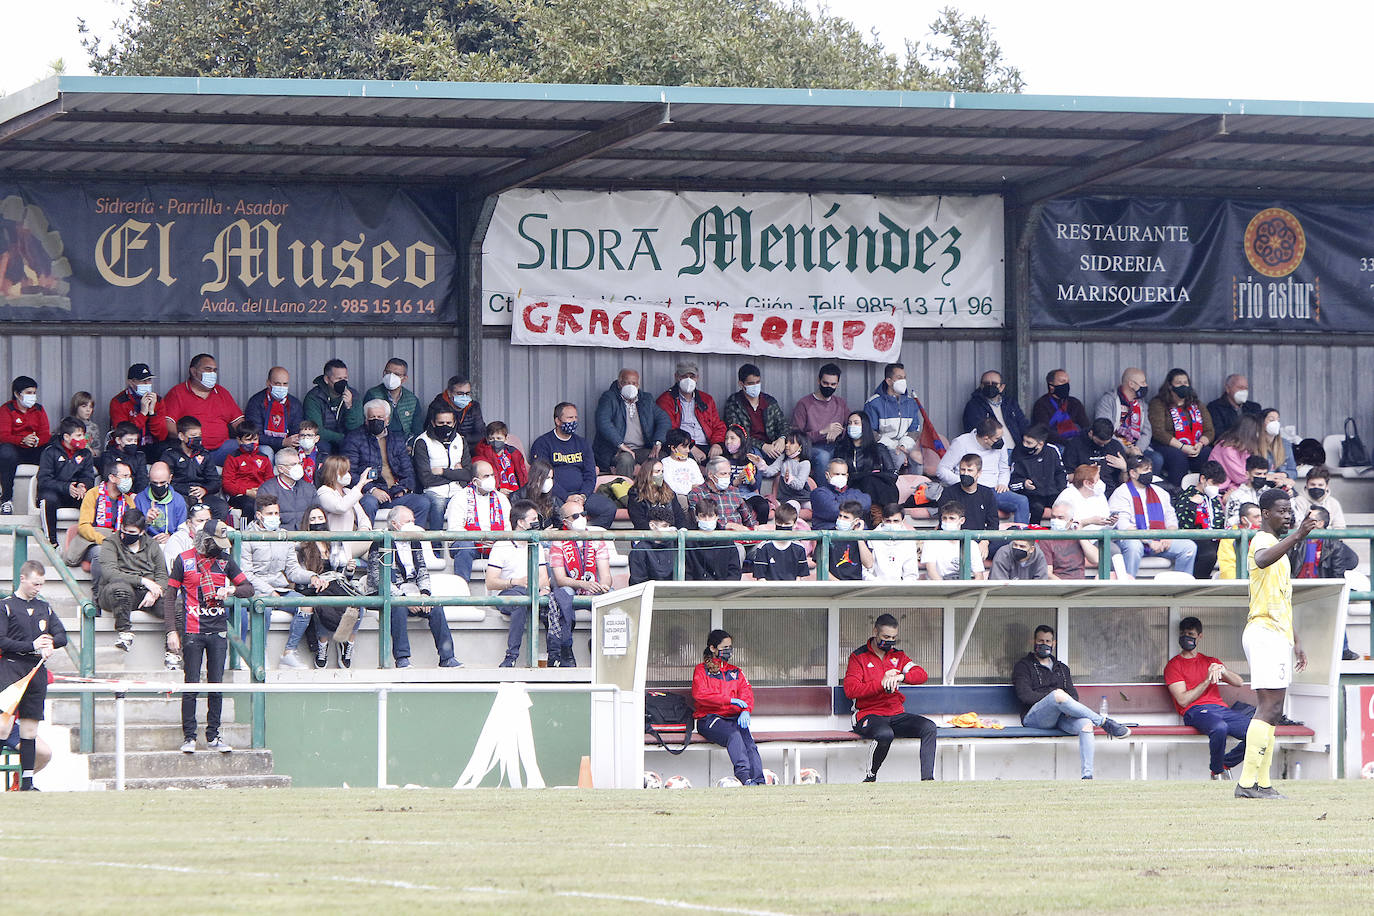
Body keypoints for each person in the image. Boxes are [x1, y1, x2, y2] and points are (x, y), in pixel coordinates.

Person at [1235, 488, 1319, 799]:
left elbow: (1281, 598)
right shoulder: (1262, 540)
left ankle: (1264, 784)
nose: (1287, 515)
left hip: (1277, 633)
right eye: (1281, 511)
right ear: (1266, 513)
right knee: (1268, 708)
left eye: (1289, 511)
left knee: (1274, 709)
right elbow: (1261, 559)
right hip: (1264, 632)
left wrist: (1295, 640)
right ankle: (1246, 784)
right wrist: (1297, 536)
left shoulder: (1279, 547)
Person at [163, 521, 253, 754]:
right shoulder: (184, 560)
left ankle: (213, 735)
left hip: (218, 630)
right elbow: (170, 596)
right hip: (192, 629)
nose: (220, 548)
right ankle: (189, 736)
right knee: (191, 683)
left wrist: (231, 590)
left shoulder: (224, 560)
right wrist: (171, 630)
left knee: (216, 685)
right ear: (205, 539)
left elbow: (248, 588)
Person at [1012, 625, 1131, 779]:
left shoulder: (1062, 668)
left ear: (1054, 643)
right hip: (1034, 718)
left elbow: (1073, 697)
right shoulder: (1023, 666)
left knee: (1086, 724)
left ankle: (1087, 777)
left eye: (1048, 641)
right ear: (1033, 641)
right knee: (1058, 695)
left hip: (1061, 718)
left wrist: (1064, 705)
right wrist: (1054, 697)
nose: (1044, 644)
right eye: (1040, 640)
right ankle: (1104, 722)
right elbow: (1025, 696)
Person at [367, 505, 461, 669]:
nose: (412, 523)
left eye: (413, 520)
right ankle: (402, 658)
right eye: (408, 521)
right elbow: (379, 579)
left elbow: (423, 572)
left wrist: (424, 594)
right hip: (387, 593)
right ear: (395, 524)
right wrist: (405, 600)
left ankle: (447, 658)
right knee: (398, 607)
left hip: (412, 592)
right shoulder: (380, 542)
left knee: (435, 606)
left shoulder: (414, 541)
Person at [845, 613, 936, 782]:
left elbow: (921, 675)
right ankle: (870, 777)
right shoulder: (858, 657)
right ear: (875, 632)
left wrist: (901, 677)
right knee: (885, 734)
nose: (889, 641)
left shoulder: (898, 656)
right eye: (885, 637)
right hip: (868, 715)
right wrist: (882, 683)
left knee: (929, 727)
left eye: (893, 638)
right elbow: (851, 690)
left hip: (895, 714)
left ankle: (928, 781)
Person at [0, 561, 68, 789]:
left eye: (41, 584)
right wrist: (31, 644)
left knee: (30, 729)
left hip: (35, 671)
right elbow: (2, 641)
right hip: (11, 670)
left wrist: (50, 643)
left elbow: (62, 636)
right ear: (23, 579)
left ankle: (26, 783)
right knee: (3, 725)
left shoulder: (44, 607)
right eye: (35, 583)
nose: (38, 588)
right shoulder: (6, 606)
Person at [1165, 616, 1250, 779]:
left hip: (1220, 709)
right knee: (1220, 728)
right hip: (1194, 711)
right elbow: (1182, 700)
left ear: (1200, 636)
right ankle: (1217, 772)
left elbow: (1239, 682)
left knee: (1257, 733)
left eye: (1191, 634)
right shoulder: (1174, 665)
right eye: (1183, 633)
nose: (1186, 637)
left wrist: (1222, 670)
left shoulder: (1210, 661)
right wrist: (1207, 680)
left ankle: (1226, 763)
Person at [282, 505, 361, 669]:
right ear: (307, 523)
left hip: (336, 584)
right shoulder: (301, 546)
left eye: (320, 518)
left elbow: (343, 576)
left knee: (360, 604)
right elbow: (299, 575)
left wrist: (349, 570)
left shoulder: (334, 541)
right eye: (312, 519)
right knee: (322, 604)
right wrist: (315, 579)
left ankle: (346, 642)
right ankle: (322, 645)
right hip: (314, 586)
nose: (317, 522)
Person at [342, 399, 434, 527]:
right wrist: (372, 490)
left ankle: (413, 543)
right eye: (372, 417)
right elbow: (350, 472)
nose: (376, 420)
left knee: (422, 502)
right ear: (366, 420)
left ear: (387, 420)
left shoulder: (397, 439)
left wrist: (403, 488)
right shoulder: (354, 438)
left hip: (394, 493)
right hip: (369, 493)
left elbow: (408, 470)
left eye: (380, 417)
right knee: (368, 503)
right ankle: (367, 545)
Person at [239, 493, 308, 667]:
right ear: (259, 515)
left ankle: (289, 653)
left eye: (276, 513)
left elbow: (292, 570)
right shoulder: (246, 536)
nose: (274, 518)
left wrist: (311, 577)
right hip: (256, 590)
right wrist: (269, 591)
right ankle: (259, 652)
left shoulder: (284, 535)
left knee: (306, 604)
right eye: (270, 514)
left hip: (281, 589)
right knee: (264, 608)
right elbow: (246, 574)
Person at [693, 628, 765, 786]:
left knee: (749, 743)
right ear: (713, 648)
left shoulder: (736, 671)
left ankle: (759, 781)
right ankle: (745, 778)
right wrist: (729, 700)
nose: (728, 651)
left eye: (730, 648)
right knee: (734, 736)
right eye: (725, 648)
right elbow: (701, 695)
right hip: (709, 719)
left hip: (733, 718)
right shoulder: (701, 670)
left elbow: (746, 694)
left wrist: (745, 711)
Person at [529, 402, 617, 529]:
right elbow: (542, 476)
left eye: (576, 417)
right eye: (570, 418)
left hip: (581, 495)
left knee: (609, 508)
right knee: (556, 513)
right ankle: (566, 541)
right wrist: (566, 497)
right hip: (556, 495)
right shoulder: (543, 443)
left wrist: (582, 496)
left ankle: (587, 536)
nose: (574, 421)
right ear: (558, 421)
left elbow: (590, 474)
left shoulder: (582, 443)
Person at [1107, 454, 1197, 577]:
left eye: (1150, 469)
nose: (1149, 473)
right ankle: (1128, 586)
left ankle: (1180, 587)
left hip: (1161, 540)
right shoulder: (1121, 493)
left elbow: (1171, 519)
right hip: (1135, 540)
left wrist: (1168, 537)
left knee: (1189, 547)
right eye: (1145, 470)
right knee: (1133, 546)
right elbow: (1124, 526)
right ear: (1133, 473)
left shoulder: (1160, 492)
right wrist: (1149, 541)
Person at [484, 499, 550, 667]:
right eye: (533, 519)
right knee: (520, 603)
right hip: (508, 593)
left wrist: (538, 588)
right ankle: (511, 656)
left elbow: (543, 576)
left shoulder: (537, 545)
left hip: (532, 591)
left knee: (553, 604)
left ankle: (557, 654)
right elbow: (491, 583)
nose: (537, 523)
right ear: (520, 523)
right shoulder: (501, 545)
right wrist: (515, 582)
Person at [547, 500, 611, 667]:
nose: (581, 518)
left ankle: (604, 648)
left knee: (611, 594)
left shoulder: (596, 539)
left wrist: (603, 585)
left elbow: (605, 575)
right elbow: (560, 579)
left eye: (583, 514)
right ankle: (566, 648)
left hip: (592, 589)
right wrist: (584, 584)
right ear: (565, 522)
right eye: (576, 516)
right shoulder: (558, 541)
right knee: (564, 594)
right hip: (570, 590)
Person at [96, 507, 169, 652]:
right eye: (124, 531)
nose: (126, 535)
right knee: (120, 588)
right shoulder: (110, 543)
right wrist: (143, 581)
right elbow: (110, 573)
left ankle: (173, 651)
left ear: (142, 532)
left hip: (146, 595)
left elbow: (162, 575)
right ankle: (124, 632)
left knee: (176, 605)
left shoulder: (152, 545)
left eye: (132, 533)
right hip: (116, 592)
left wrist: (155, 591)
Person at [938, 417, 1028, 524]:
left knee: (1022, 501)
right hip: (967, 489)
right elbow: (942, 470)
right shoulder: (961, 443)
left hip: (993, 490)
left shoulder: (1000, 443)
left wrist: (1003, 483)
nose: (1001, 440)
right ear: (986, 438)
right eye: (997, 438)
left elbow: (1004, 468)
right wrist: (963, 481)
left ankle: (1022, 539)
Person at [160, 354, 245, 465]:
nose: (212, 374)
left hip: (221, 449)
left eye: (214, 370)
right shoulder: (177, 393)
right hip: (191, 451)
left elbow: (238, 422)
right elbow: (167, 424)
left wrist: (247, 436)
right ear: (193, 372)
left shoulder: (221, 392)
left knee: (260, 451)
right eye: (208, 370)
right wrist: (188, 439)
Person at [68, 457, 136, 584]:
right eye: (125, 476)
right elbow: (83, 526)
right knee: (101, 553)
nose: (129, 480)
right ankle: (98, 594)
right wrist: (104, 540)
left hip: (120, 544)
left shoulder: (128, 500)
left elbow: (134, 526)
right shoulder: (93, 494)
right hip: (94, 543)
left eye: (130, 476)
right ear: (112, 478)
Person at [594, 368, 668, 475]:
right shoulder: (609, 398)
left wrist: (658, 442)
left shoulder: (646, 399)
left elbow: (664, 419)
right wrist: (620, 444)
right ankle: (625, 490)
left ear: (638, 385)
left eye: (634, 383)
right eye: (626, 383)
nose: (631, 386)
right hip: (618, 450)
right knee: (626, 460)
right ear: (619, 383)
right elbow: (603, 422)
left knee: (663, 458)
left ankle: (656, 491)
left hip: (642, 449)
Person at [445, 459, 511, 578]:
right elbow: (454, 530)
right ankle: (462, 590)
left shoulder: (502, 499)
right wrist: (478, 538)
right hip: (470, 543)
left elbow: (508, 528)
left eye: (492, 475)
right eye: (486, 476)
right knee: (465, 547)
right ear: (475, 481)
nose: (491, 479)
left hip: (495, 543)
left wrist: (497, 540)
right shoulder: (460, 498)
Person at [1149, 368, 1214, 486]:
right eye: (1178, 383)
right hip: (1168, 445)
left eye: (1185, 383)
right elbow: (1158, 431)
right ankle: (1176, 493)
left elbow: (1209, 430)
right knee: (1178, 457)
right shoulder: (1158, 403)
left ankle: (1203, 491)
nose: (1183, 386)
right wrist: (1182, 447)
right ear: (1170, 386)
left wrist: (1200, 445)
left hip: (1194, 446)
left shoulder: (1197, 404)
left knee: (1207, 452)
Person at [36, 416, 96, 545]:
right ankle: (51, 542)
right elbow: (44, 480)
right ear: (66, 437)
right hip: (55, 493)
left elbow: (89, 476)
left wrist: (82, 486)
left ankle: (89, 540)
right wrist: (66, 487)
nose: (83, 439)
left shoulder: (86, 453)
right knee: (48, 498)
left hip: (76, 494)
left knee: (91, 497)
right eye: (79, 435)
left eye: (83, 435)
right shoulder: (50, 452)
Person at [656, 360, 726, 460]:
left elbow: (717, 425)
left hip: (707, 445)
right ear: (677, 377)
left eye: (692, 376)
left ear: (697, 378)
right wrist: (690, 446)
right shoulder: (666, 400)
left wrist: (717, 444)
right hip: (682, 446)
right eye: (684, 376)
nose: (688, 380)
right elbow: (669, 430)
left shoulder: (706, 399)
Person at [163, 416, 229, 520]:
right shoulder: (170, 454)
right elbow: (166, 482)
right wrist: (188, 491)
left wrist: (204, 490)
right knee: (181, 506)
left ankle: (210, 534)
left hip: (203, 495)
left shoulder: (205, 454)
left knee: (221, 507)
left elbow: (215, 481)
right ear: (181, 436)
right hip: (179, 495)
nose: (197, 439)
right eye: (193, 436)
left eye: (199, 435)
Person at [0, 375, 49, 514]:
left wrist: (38, 440)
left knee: (50, 450)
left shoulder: (39, 409)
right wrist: (22, 439)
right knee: (5, 452)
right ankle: (6, 500)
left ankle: (42, 498)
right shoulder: (6, 409)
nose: (32, 396)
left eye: (34, 393)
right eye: (28, 393)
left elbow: (46, 433)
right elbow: (3, 435)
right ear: (17, 394)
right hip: (15, 450)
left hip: (34, 449)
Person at [832, 411, 899, 512]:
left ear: (865, 426)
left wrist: (873, 476)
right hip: (853, 488)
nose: (852, 426)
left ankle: (877, 513)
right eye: (849, 423)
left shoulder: (878, 448)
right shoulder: (841, 449)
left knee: (870, 481)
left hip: (877, 489)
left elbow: (892, 474)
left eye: (856, 423)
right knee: (866, 481)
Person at [413, 406, 471, 524]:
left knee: (469, 501)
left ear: (454, 422)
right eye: (441, 422)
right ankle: (436, 542)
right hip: (432, 491)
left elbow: (468, 474)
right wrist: (456, 475)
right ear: (433, 423)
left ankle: (461, 541)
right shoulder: (422, 442)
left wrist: (443, 472)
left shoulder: (460, 440)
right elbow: (426, 479)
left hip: (458, 490)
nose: (445, 426)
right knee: (438, 503)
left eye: (449, 422)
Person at [1094, 367, 1158, 468]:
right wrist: (1126, 450)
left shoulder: (1141, 404)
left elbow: (1147, 431)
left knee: (1156, 459)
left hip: (1137, 449)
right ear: (1131, 384)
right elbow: (1104, 430)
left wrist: (1138, 449)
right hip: (1114, 447)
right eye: (1143, 382)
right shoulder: (1108, 400)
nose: (1146, 386)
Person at [1173, 460, 1227, 579]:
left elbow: (1220, 522)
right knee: (1209, 554)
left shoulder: (1214, 499)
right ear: (1203, 479)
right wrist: (1192, 505)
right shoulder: (1186, 497)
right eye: (1214, 483)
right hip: (1196, 538)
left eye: (1219, 485)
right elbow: (1182, 525)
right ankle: (1199, 583)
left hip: (1216, 539)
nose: (1216, 488)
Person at [721, 363, 787, 460]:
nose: (755, 386)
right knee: (754, 456)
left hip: (772, 446)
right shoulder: (734, 403)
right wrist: (763, 446)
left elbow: (783, 424)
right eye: (751, 383)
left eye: (758, 382)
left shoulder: (769, 401)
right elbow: (738, 433)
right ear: (741, 384)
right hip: (750, 447)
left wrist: (782, 438)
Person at [863, 362, 923, 468]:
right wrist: (894, 446)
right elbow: (871, 432)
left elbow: (914, 430)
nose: (903, 381)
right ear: (889, 381)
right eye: (899, 378)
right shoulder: (873, 403)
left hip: (905, 446)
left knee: (917, 458)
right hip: (883, 446)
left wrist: (903, 446)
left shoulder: (911, 403)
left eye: (904, 378)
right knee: (898, 458)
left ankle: (917, 484)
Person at [792, 363, 849, 471]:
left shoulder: (840, 403)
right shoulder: (804, 404)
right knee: (823, 457)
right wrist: (822, 432)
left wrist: (840, 431)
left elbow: (852, 425)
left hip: (836, 445)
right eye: (825, 383)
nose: (829, 387)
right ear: (818, 381)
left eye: (833, 384)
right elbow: (796, 437)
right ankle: (823, 488)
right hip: (812, 447)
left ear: (837, 384)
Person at [109, 363, 173, 455]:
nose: (147, 384)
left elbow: (161, 436)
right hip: (129, 447)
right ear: (131, 382)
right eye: (142, 381)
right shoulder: (119, 401)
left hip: (152, 446)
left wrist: (151, 412)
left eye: (149, 380)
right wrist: (142, 414)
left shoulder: (157, 400)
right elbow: (123, 434)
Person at [302, 359, 364, 455]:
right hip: (325, 442)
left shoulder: (353, 395)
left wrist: (349, 407)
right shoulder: (314, 397)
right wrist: (342, 438)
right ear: (327, 379)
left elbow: (357, 427)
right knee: (323, 446)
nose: (343, 382)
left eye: (345, 378)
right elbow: (316, 430)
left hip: (348, 442)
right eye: (339, 379)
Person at [315, 455, 373, 556]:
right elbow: (341, 507)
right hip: (339, 545)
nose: (348, 475)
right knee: (379, 539)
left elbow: (363, 517)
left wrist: (364, 530)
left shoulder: (348, 491)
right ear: (332, 474)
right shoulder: (323, 492)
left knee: (381, 547)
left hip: (355, 540)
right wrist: (361, 483)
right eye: (344, 472)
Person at [1011, 423, 1067, 522]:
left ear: (1040, 444)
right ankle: (1032, 536)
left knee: (1066, 506)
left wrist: (1061, 491)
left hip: (1053, 493)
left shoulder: (1052, 450)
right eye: (1024, 441)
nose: (1025, 445)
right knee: (1037, 508)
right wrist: (1024, 484)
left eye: (1029, 443)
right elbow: (1012, 482)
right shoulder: (1018, 451)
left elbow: (1061, 473)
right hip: (1032, 495)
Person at [244, 366, 304, 457]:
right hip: (263, 446)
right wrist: (282, 442)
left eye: (285, 384)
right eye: (277, 384)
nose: (282, 387)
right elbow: (254, 434)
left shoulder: (295, 404)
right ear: (268, 383)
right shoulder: (256, 402)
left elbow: (296, 431)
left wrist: (292, 442)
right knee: (267, 452)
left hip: (288, 446)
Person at [1288, 506, 1358, 581]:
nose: (1304, 522)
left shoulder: (1334, 546)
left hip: (1322, 588)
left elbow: (1337, 576)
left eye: (1309, 519)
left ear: (1320, 524)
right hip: (1296, 586)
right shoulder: (1296, 541)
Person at [688, 456, 759, 530]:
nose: (727, 477)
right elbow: (696, 520)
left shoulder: (734, 491)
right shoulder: (697, 493)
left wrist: (756, 528)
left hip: (739, 536)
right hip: (714, 537)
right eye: (723, 474)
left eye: (729, 474)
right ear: (710, 475)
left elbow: (747, 518)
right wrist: (727, 525)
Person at [221, 421, 275, 518]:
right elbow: (227, 484)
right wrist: (246, 491)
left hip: (261, 495)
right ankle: (247, 532)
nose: (252, 443)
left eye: (255, 439)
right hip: (239, 496)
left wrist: (261, 492)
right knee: (250, 504)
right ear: (239, 440)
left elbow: (270, 480)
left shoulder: (264, 458)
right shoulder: (232, 458)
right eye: (248, 440)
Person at [255, 447, 317, 531]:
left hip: (306, 538)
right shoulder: (267, 489)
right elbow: (262, 521)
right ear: (281, 469)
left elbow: (316, 515)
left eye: (299, 463)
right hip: (280, 539)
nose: (298, 467)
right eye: (293, 464)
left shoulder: (309, 488)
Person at [363, 357, 426, 439]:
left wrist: (410, 445)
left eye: (397, 374)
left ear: (404, 379)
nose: (391, 377)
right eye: (388, 372)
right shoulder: (372, 395)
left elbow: (417, 430)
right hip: (379, 441)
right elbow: (364, 424)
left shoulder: (412, 400)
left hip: (404, 446)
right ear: (383, 373)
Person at [1062, 417, 1129, 493]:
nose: (1102, 446)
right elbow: (1066, 477)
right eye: (1099, 443)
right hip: (1084, 491)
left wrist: (1124, 469)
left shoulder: (1115, 446)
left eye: (1106, 443)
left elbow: (1124, 482)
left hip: (1111, 492)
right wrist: (1086, 474)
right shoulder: (1075, 445)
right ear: (1091, 433)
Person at [720, 423, 770, 522]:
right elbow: (721, 486)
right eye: (726, 438)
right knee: (746, 509)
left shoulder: (749, 459)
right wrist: (737, 481)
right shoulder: (723, 460)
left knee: (763, 506)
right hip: (732, 494)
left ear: (742, 440)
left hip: (749, 494)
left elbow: (754, 488)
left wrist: (751, 479)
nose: (728, 441)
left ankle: (762, 534)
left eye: (732, 438)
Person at [962, 369, 1028, 441]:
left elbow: (1023, 425)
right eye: (986, 384)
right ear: (981, 386)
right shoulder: (974, 406)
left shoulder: (1011, 403)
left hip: (1015, 449)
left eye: (994, 384)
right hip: (992, 450)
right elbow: (975, 431)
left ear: (1001, 387)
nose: (990, 386)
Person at [684, 499, 742, 581]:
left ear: (717, 517)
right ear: (696, 517)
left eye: (711, 516)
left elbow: (734, 571)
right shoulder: (688, 541)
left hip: (723, 589)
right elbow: (686, 573)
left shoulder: (727, 539)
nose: (707, 520)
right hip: (696, 590)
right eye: (703, 516)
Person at [751, 502, 811, 581]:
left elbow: (800, 578)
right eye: (779, 523)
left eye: (787, 524)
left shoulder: (799, 548)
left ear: (795, 524)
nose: (782, 526)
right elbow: (761, 578)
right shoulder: (763, 547)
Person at [923, 502, 984, 580]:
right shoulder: (931, 542)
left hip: (966, 586)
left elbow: (979, 575)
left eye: (952, 518)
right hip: (940, 587)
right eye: (944, 518)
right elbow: (931, 572)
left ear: (962, 520)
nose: (947, 521)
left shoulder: (972, 544)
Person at [943, 453, 1000, 534]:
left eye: (970, 470)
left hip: (980, 539)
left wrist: (985, 541)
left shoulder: (987, 494)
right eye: (962, 470)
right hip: (954, 538)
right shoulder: (948, 493)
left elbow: (993, 525)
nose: (965, 474)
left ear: (979, 473)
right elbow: (944, 520)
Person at [429, 375, 486, 454]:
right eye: (460, 393)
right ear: (449, 393)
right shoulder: (437, 406)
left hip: (469, 450)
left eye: (467, 393)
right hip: (443, 451)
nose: (464, 397)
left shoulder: (474, 406)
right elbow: (430, 432)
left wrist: (463, 439)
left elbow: (481, 433)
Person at [809, 457, 871, 531]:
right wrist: (853, 505)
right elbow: (833, 510)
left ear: (847, 476)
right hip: (828, 535)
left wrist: (837, 501)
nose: (840, 477)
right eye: (837, 474)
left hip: (854, 536)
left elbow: (867, 502)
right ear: (827, 475)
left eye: (843, 474)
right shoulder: (819, 493)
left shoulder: (855, 492)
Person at [1031, 368, 1089, 446]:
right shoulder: (1041, 405)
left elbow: (1086, 427)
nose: (1066, 385)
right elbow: (1043, 431)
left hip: (1077, 444)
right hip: (1054, 445)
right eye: (1062, 382)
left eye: (1068, 382)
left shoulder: (1075, 403)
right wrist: (1068, 443)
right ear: (1051, 386)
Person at [627, 458, 688, 530]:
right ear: (647, 474)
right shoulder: (636, 494)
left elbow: (679, 516)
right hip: (647, 535)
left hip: (670, 533)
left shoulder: (669, 491)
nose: (660, 475)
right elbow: (638, 521)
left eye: (662, 471)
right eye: (657, 472)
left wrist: (680, 529)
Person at [865, 503, 921, 582]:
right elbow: (866, 571)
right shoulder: (871, 538)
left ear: (903, 521)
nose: (892, 524)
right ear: (882, 520)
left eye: (896, 521)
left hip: (902, 589)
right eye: (888, 521)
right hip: (874, 587)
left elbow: (911, 573)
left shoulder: (909, 540)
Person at [757, 430, 812, 507]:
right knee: (793, 505)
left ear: (801, 447)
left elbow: (799, 485)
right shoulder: (782, 458)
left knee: (809, 507)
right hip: (785, 495)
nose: (786, 445)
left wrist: (790, 479)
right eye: (786, 442)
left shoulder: (805, 463)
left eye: (791, 443)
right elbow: (770, 471)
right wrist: (761, 465)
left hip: (801, 495)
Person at [1209, 415, 1264, 492]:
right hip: (1219, 490)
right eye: (1257, 432)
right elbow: (1241, 477)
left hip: (1232, 488)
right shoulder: (1227, 449)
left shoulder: (1243, 449)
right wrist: (1266, 477)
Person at [472, 420, 526, 496]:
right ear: (487, 439)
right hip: (496, 494)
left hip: (516, 494)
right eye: (492, 439)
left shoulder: (514, 453)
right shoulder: (482, 455)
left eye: (499, 438)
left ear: (506, 439)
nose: (495, 441)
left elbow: (522, 476)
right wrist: (497, 489)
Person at [1223, 456, 1278, 528]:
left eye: (1264, 474)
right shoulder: (1236, 496)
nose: (1262, 477)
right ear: (1247, 474)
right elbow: (1229, 523)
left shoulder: (1271, 494)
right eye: (1258, 474)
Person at [630, 506, 679, 584]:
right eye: (665, 526)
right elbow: (637, 581)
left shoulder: (676, 545)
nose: (669, 529)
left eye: (670, 526)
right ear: (652, 526)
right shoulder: (640, 550)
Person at [1206, 374, 1263, 441]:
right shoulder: (1214, 407)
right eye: (1240, 387)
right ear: (1228, 389)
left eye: (1246, 388)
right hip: (1228, 447)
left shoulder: (1254, 408)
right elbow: (1218, 434)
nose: (1244, 391)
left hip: (1252, 446)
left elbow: (1260, 430)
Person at [827, 501, 873, 581]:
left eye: (846, 517)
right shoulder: (828, 535)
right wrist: (839, 584)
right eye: (840, 516)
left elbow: (868, 564)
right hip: (832, 585)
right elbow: (820, 567)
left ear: (856, 521)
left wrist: (859, 536)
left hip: (855, 585)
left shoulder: (860, 538)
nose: (841, 519)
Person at [1040, 501, 1086, 580]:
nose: (1055, 520)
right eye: (1053, 517)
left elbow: (1095, 559)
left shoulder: (1077, 535)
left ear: (1071, 521)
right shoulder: (1045, 539)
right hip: (1058, 587)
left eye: (1060, 518)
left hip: (1080, 583)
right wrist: (1066, 586)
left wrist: (1081, 536)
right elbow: (1047, 573)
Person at [1217, 502, 1262, 580]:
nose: (1261, 520)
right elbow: (1227, 567)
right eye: (1256, 517)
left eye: (1262, 516)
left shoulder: (1267, 534)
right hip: (1239, 585)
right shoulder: (1230, 537)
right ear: (1244, 520)